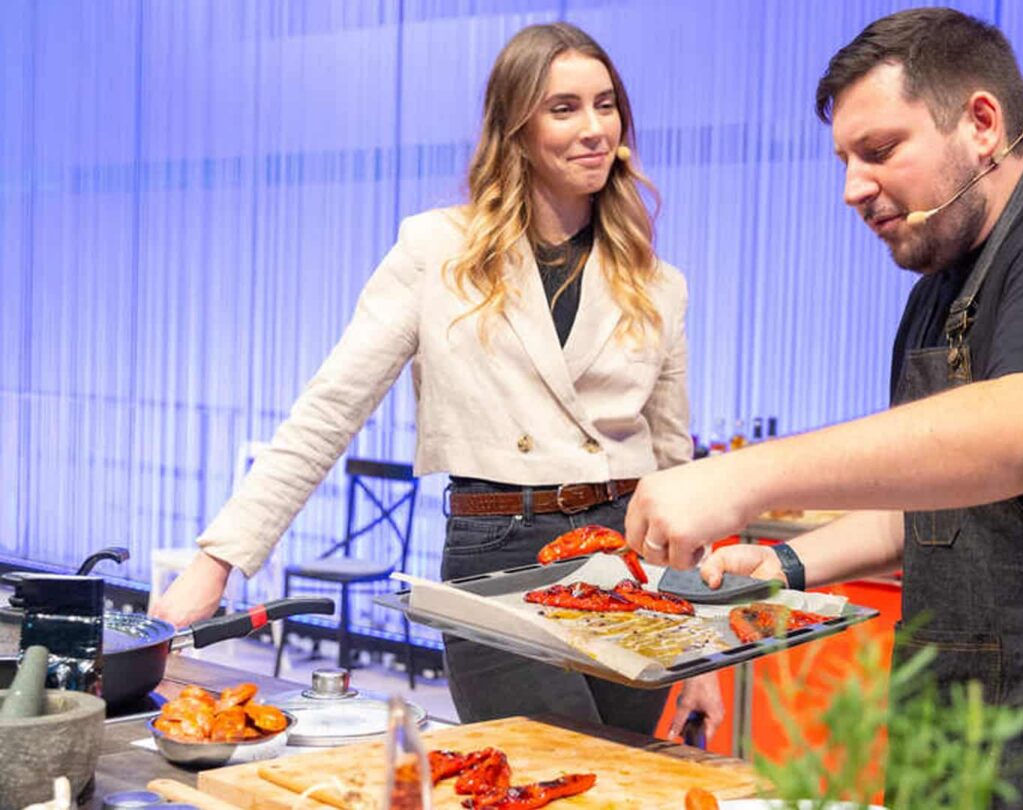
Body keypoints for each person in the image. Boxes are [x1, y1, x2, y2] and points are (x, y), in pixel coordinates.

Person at [623, 8, 1023, 808]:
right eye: (843, 160)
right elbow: (946, 507)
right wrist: (788, 563)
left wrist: (739, 478)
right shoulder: (938, 291)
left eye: (878, 151)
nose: (851, 189)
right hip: (981, 729)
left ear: (981, 123)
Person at [150, 22, 722, 740]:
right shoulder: (437, 251)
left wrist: (701, 645)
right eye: (564, 108)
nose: (594, 129)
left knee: (619, 776)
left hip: (629, 557)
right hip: (499, 552)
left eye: (606, 105)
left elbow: (675, 469)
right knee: (547, 771)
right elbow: (331, 408)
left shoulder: (657, 282)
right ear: (515, 129)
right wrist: (219, 560)